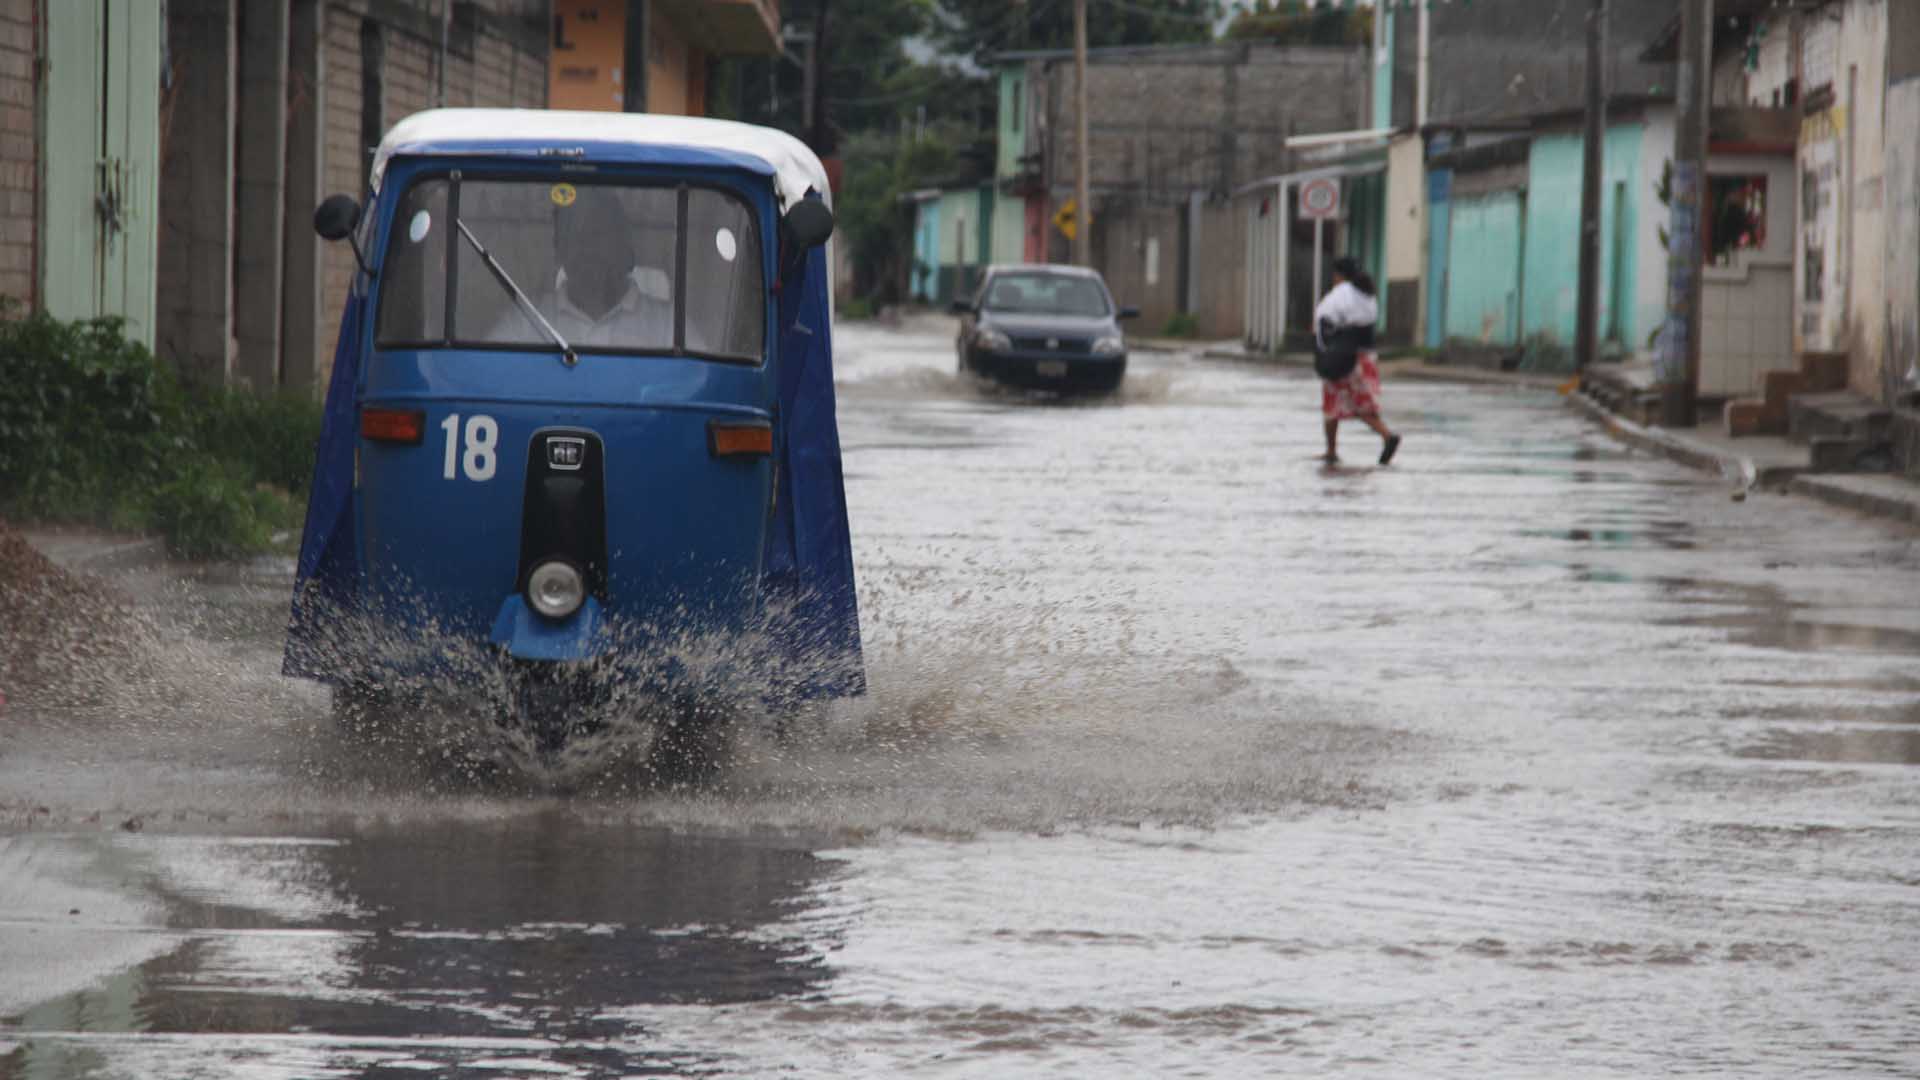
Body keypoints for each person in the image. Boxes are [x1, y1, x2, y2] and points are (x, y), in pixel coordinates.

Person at [1314, 256, 1401, 465]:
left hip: (1344, 358)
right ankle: (1331, 450)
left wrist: (1324, 349)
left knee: (1344, 404)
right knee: (1344, 403)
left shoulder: (1341, 294)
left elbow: (1323, 319)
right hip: (1366, 358)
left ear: (1338, 275)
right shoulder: (1367, 293)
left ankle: (1387, 436)